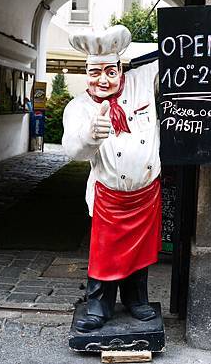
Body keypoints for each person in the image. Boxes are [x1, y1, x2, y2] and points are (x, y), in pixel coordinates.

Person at [62, 25, 161, 332]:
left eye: (109, 71)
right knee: (104, 255)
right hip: (110, 197)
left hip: (145, 192)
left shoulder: (141, 81)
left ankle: (137, 300)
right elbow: (72, 150)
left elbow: (176, 55)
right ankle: (98, 306)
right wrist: (90, 135)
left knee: (140, 253)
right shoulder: (78, 107)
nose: (102, 80)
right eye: (94, 72)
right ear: (85, 72)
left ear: (122, 69)